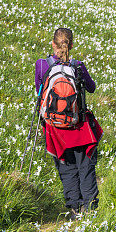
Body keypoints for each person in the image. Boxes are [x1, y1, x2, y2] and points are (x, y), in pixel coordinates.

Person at [35, 27, 103, 220]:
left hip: (55, 129)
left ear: (52, 44)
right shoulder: (78, 66)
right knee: (86, 167)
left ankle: (74, 209)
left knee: (66, 168)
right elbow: (91, 88)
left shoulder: (42, 65)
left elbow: (39, 93)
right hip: (79, 127)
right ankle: (90, 210)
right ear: (71, 45)